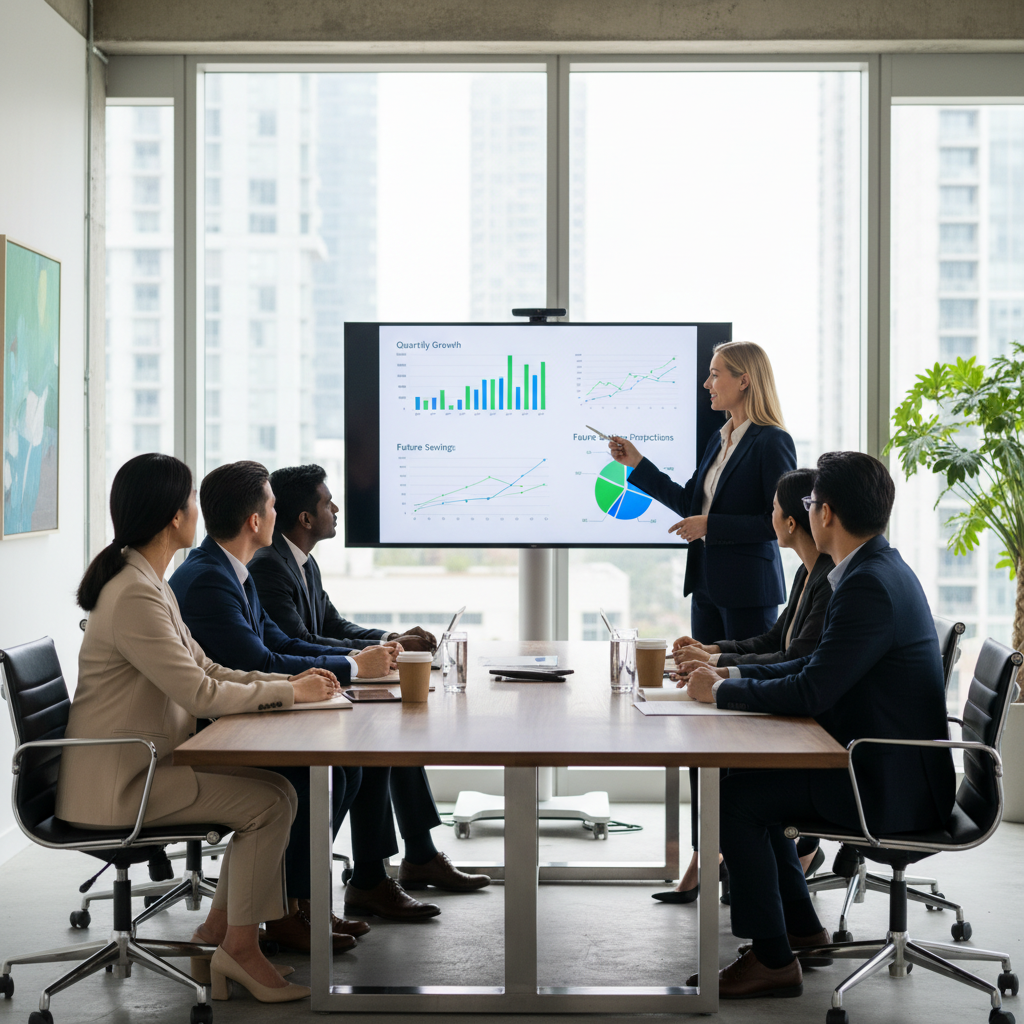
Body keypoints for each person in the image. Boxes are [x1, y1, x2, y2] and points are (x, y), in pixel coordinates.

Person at [56, 453, 345, 1003]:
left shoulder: (149, 582)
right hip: (121, 787)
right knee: (270, 804)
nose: (198, 511)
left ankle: (216, 934)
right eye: (191, 501)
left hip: (140, 767)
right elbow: (200, 693)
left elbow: (207, 668)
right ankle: (240, 950)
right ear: (173, 516)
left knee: (280, 790)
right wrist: (289, 693)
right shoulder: (136, 593)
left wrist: (290, 684)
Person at [169, 461, 489, 929]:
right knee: (341, 764)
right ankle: (298, 905)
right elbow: (265, 659)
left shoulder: (235, 570)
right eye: (272, 506)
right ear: (256, 520)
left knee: (365, 752)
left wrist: (372, 651)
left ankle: (326, 894)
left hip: (252, 710)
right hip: (224, 729)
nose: (278, 514)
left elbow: (287, 640)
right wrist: (356, 664)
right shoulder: (223, 575)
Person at [682, 451, 954, 999]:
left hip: (887, 786)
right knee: (747, 786)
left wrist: (724, 690)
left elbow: (812, 688)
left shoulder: (866, 585)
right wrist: (727, 679)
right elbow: (809, 667)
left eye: (810, 503)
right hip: (888, 765)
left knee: (735, 801)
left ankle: (772, 960)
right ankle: (801, 930)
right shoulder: (876, 569)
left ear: (824, 513)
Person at [608, 340, 797, 899]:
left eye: (715, 375)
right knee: (700, 713)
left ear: (744, 380)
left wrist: (712, 528)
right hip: (710, 589)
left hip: (749, 593)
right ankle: (705, 851)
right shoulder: (721, 439)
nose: (707, 384)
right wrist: (638, 465)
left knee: (739, 726)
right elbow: (692, 502)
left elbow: (778, 522)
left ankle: (743, 854)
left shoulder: (771, 441)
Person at [651, 468, 834, 902]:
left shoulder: (831, 581)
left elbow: (794, 660)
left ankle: (783, 866)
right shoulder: (807, 572)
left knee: (727, 772)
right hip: (795, 706)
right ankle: (724, 860)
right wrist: (712, 650)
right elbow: (774, 640)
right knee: (708, 747)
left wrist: (718, 673)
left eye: (772, 510)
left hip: (812, 728)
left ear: (792, 522)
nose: (768, 518)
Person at [248, 463, 436, 653]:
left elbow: (333, 625)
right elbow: (298, 642)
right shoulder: (268, 567)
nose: (336, 509)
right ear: (306, 519)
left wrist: (392, 638)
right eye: (327, 504)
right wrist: (388, 648)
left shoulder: (306, 562)